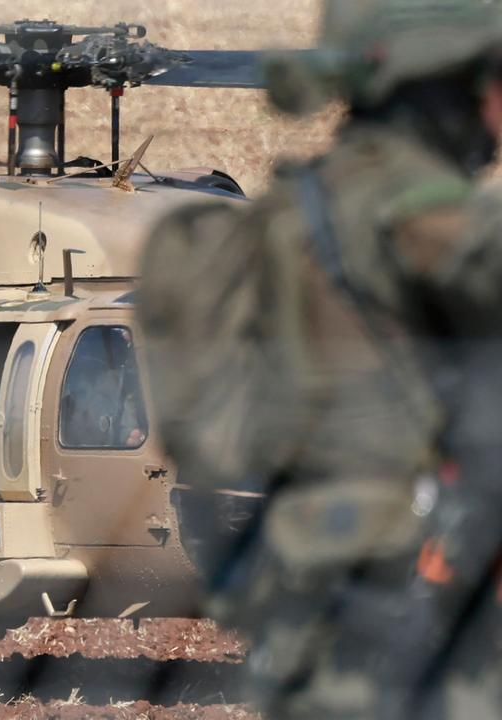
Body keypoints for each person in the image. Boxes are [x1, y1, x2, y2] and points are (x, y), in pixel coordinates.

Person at [138, 1, 502, 716]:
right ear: (444, 80)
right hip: (416, 586)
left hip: (312, 579)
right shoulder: (417, 209)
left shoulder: (296, 206)